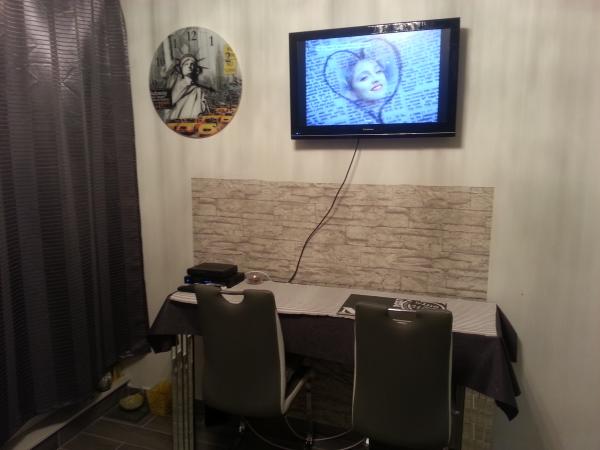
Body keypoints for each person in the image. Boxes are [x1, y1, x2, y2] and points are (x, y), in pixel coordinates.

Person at [166, 55, 209, 120]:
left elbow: (201, 109)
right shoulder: (175, 85)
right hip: (178, 120)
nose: (189, 66)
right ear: (181, 68)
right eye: (186, 64)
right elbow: (168, 105)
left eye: (192, 64)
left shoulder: (198, 89)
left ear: (195, 68)